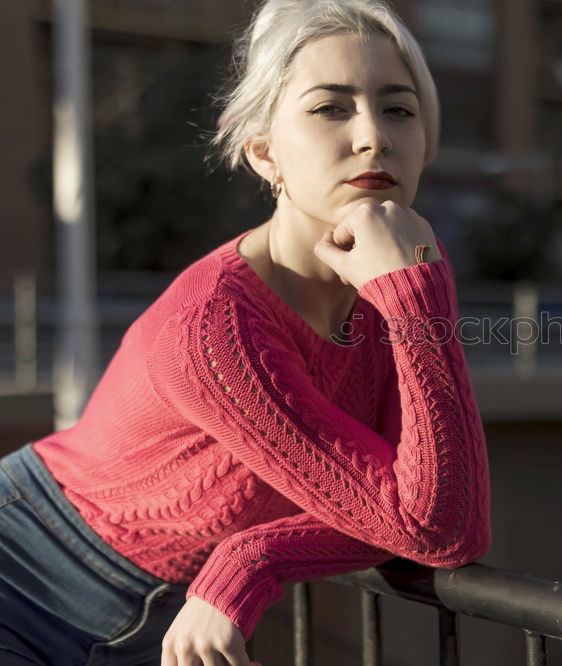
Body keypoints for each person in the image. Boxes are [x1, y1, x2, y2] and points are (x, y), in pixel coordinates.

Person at [0, 0, 492, 663]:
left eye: (399, 109)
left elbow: (440, 515)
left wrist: (254, 556)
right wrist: (255, 558)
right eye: (331, 108)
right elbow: (428, 525)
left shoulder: (401, 278)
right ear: (264, 154)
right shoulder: (215, 326)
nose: (374, 135)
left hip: (164, 623)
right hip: (26, 573)